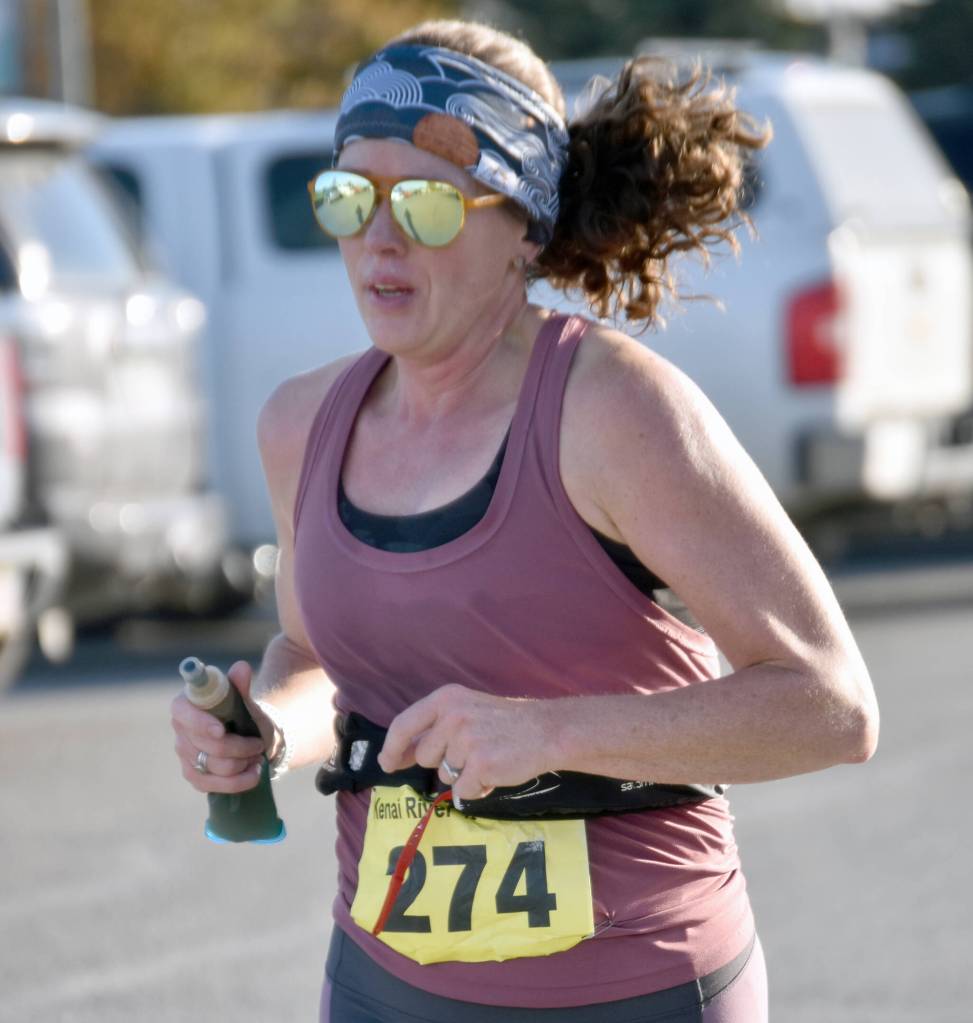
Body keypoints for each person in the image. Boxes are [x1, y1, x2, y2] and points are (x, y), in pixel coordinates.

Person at [170, 19, 879, 1022]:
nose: (377, 237)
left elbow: (831, 706)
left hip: (636, 985)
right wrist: (264, 731)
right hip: (383, 982)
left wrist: (547, 734)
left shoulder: (614, 412)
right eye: (347, 197)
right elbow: (315, 650)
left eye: (423, 203)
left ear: (524, 227)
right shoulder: (299, 423)